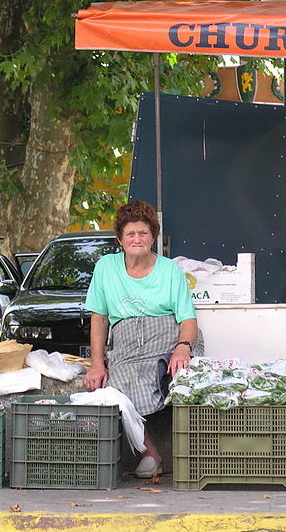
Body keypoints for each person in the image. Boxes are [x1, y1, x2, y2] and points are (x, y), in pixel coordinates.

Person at [84, 199, 203, 478]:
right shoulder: (106, 267)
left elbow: (187, 319)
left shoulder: (169, 270)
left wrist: (182, 349)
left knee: (177, 378)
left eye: (144, 233)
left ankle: (193, 457)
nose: (137, 239)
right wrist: (97, 363)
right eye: (131, 234)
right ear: (120, 239)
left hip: (168, 339)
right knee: (117, 386)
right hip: (127, 346)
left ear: (153, 237)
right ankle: (149, 453)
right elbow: (99, 319)